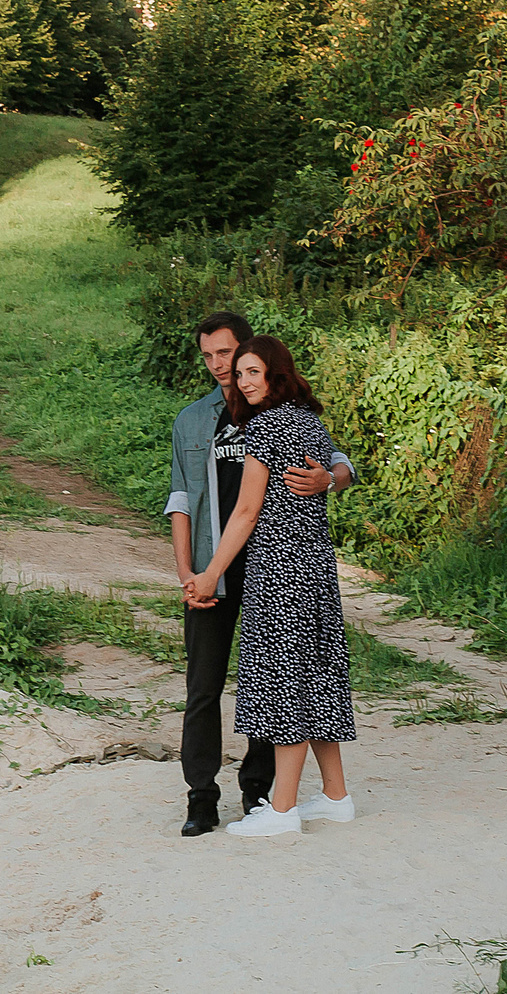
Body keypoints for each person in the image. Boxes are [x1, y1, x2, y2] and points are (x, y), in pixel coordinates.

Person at [168, 311, 353, 837]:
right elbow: (183, 499)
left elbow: (249, 511)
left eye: (247, 367)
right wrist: (194, 571)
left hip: (274, 568)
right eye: (222, 363)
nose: (232, 374)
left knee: (280, 684)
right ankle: (329, 797)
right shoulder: (300, 420)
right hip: (303, 565)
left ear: (268, 369)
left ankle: (276, 804)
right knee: (308, 680)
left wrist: (206, 577)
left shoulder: (266, 423)